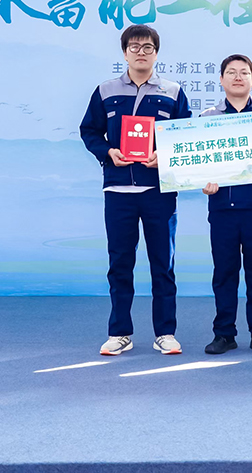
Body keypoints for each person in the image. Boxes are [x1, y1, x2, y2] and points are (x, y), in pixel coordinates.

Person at [80, 24, 191, 356]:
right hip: (118, 191)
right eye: (134, 47)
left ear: (156, 53)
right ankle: (119, 333)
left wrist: (165, 156)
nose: (141, 53)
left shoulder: (173, 92)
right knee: (120, 264)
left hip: (159, 191)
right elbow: (89, 131)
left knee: (163, 264)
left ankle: (165, 333)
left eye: (147, 48)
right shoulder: (106, 91)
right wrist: (108, 152)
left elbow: (185, 136)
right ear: (124, 52)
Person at [200, 54, 252, 355]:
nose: (238, 77)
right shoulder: (208, 117)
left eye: (244, 72)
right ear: (221, 79)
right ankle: (224, 334)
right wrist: (204, 181)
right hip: (222, 208)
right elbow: (200, 160)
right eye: (231, 72)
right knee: (224, 273)